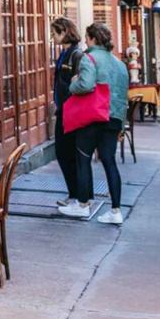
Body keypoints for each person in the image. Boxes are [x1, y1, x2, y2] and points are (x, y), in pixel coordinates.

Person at [59, 22, 131, 225]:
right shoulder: (120, 64)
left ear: (92, 39)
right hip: (114, 118)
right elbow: (122, 93)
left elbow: (86, 85)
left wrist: (73, 83)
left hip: (93, 117)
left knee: (83, 159)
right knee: (109, 162)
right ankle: (116, 211)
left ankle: (83, 205)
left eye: (86, 37)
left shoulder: (88, 58)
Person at [50, 17, 85, 210]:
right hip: (63, 110)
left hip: (71, 112)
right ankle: (75, 194)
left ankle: (78, 196)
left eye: (54, 33)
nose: (52, 36)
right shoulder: (64, 54)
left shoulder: (76, 54)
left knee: (67, 153)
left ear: (64, 33)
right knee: (64, 153)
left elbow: (79, 84)